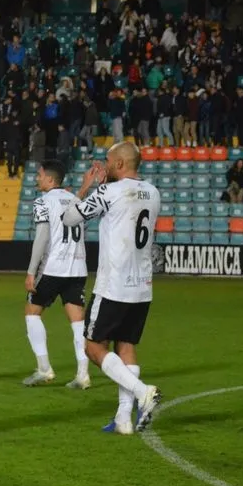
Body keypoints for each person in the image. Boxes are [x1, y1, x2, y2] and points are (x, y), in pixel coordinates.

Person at [62, 142, 162, 435]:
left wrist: (87, 186)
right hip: (142, 286)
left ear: (119, 164)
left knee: (93, 347)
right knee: (126, 346)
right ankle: (123, 419)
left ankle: (144, 392)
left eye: (107, 161)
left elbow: (70, 218)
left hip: (113, 285)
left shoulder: (109, 191)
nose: (104, 167)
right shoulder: (153, 192)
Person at [23, 160, 90, 390]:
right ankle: (83, 374)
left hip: (53, 267)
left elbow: (42, 238)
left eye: (40, 175)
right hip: (78, 267)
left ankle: (44, 369)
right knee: (77, 321)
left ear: (50, 179)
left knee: (32, 313)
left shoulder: (43, 202)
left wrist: (31, 272)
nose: (37, 178)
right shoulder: (74, 200)